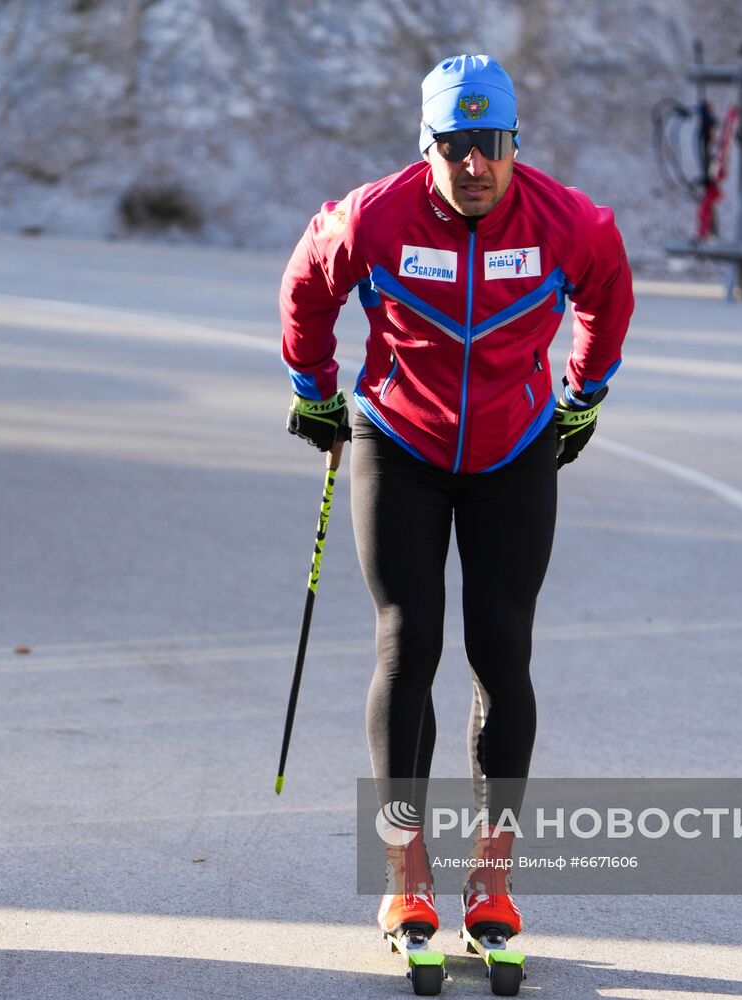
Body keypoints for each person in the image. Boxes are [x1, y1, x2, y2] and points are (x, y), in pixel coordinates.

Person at [279, 54, 634, 944]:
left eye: (493, 143)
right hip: (400, 443)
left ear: (516, 142)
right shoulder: (372, 216)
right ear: (426, 144)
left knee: (501, 651)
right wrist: (313, 386)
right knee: (408, 643)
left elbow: (608, 299)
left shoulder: (571, 223)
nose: (475, 164)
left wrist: (584, 394)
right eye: (454, 145)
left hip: (514, 449)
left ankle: (493, 880)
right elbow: (307, 289)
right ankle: (405, 875)